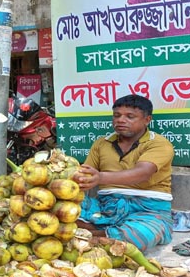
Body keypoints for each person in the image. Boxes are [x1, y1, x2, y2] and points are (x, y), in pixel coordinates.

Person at [72, 95, 174, 251]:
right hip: (104, 206)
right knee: (59, 210)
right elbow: (85, 174)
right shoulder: (101, 143)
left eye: (130, 116)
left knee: (139, 235)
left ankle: (94, 235)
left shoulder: (158, 143)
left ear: (147, 120)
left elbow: (143, 172)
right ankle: (105, 234)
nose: (120, 120)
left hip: (147, 210)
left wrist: (100, 177)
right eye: (116, 115)